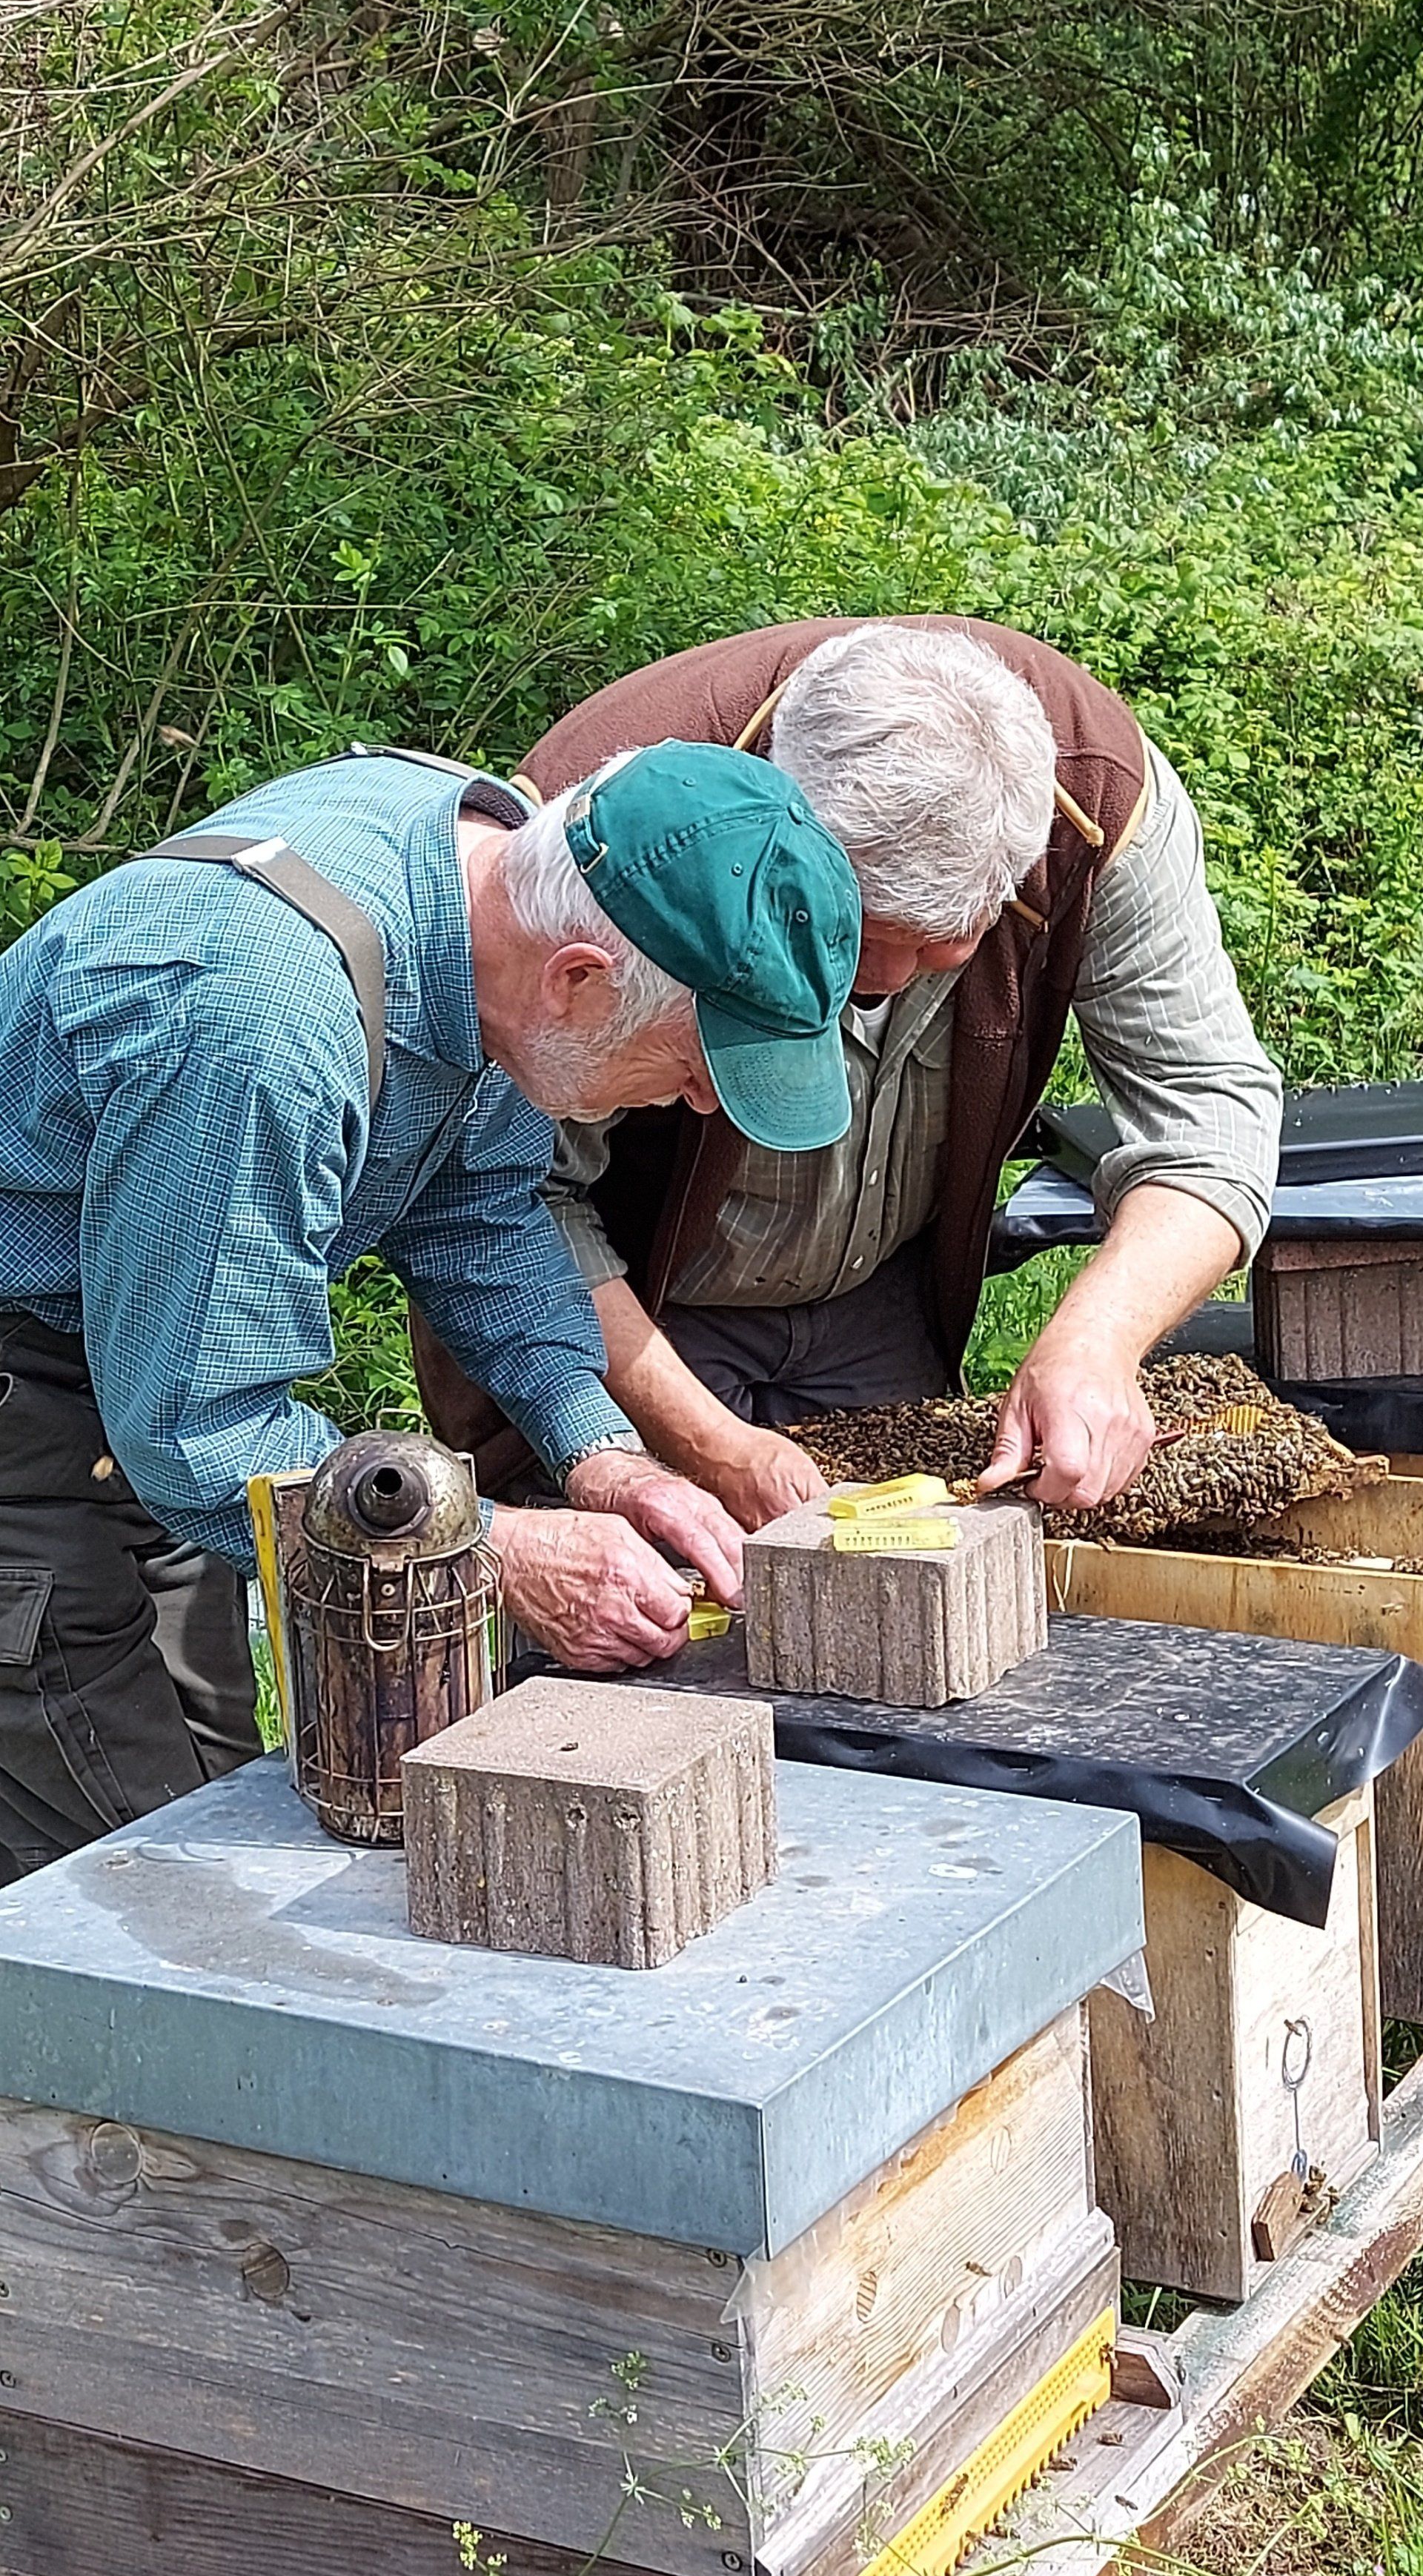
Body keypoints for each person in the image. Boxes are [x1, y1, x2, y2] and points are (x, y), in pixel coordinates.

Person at [0, 737, 860, 1879]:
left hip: (136, 1380)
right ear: (578, 978)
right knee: (136, 1874)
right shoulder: (264, 1026)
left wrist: (603, 1454)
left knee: (217, 1801)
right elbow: (202, 1431)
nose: (704, 1101)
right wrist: (496, 1552)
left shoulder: (493, 892)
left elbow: (478, 1213)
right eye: (701, 1059)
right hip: (46, 1403)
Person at [414, 617, 1282, 1523]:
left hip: (880, 1300)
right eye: (868, 933)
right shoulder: (618, 829)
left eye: (954, 936)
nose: (899, 977)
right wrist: (704, 1442)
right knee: (635, 1591)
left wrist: (1096, 1341)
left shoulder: (1099, 801)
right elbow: (501, 1202)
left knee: (912, 1581)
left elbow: (1210, 1114)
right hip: (625, 1308)